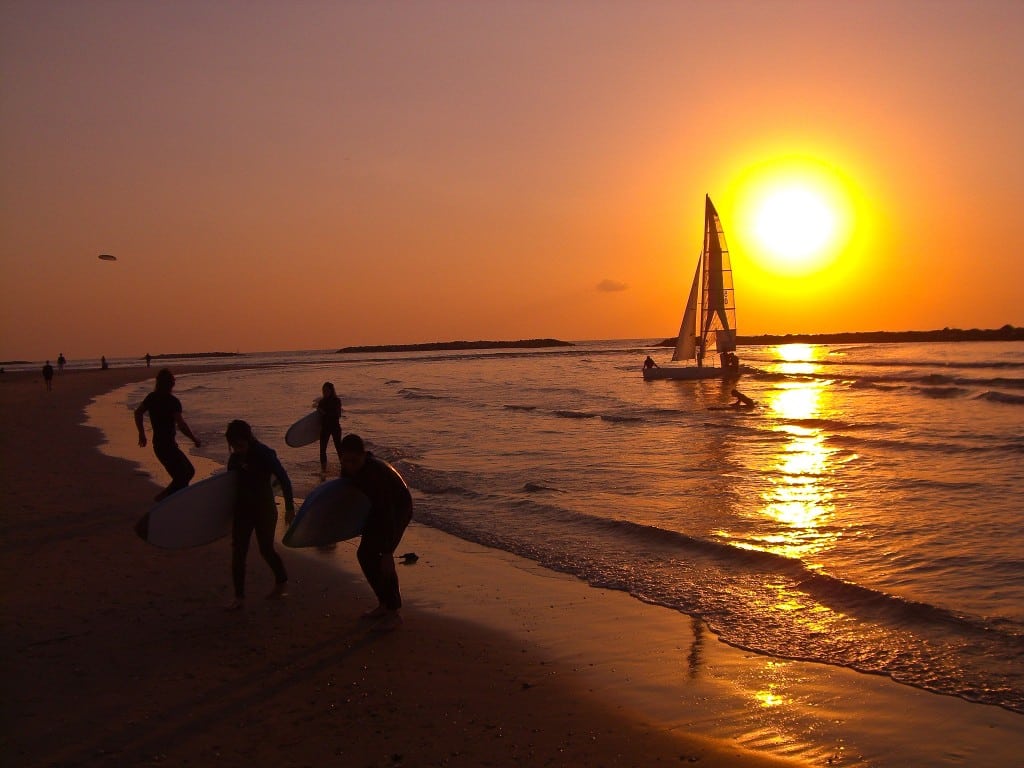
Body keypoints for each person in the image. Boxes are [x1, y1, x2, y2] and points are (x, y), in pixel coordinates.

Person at [340, 434, 413, 631]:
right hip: (375, 509)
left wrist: (388, 551)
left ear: (364, 455)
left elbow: (387, 511)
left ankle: (394, 613)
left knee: (382, 559)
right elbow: (345, 495)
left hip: (398, 509)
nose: (350, 466)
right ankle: (383, 604)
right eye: (345, 461)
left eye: (354, 461)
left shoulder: (375, 474)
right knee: (365, 555)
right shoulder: (348, 468)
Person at [223, 420, 293, 611]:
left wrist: (289, 508)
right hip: (242, 510)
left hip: (265, 509)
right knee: (239, 552)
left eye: (240, 445)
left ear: (248, 438)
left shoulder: (264, 453)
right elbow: (228, 487)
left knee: (266, 549)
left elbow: (284, 479)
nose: (237, 449)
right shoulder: (234, 459)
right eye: (233, 446)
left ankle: (281, 582)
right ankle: (239, 597)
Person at [134, 368, 201, 501]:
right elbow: (181, 425)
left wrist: (142, 434)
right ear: (172, 383)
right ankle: (164, 499)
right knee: (183, 476)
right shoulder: (172, 401)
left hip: (160, 445)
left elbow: (138, 413)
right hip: (167, 446)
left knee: (188, 472)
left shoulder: (152, 397)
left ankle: (170, 499)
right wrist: (194, 439)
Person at [317, 381, 344, 472]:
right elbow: (318, 418)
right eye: (323, 390)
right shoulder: (321, 402)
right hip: (324, 428)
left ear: (331, 391)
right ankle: (323, 470)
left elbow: (338, 415)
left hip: (335, 427)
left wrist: (324, 413)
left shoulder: (336, 401)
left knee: (338, 448)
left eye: (327, 390)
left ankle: (344, 468)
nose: (325, 392)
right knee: (322, 450)